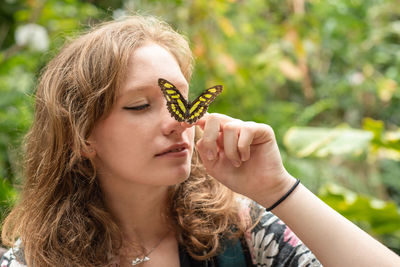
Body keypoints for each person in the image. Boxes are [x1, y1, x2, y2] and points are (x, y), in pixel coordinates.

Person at [0, 15, 399, 267]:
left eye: (181, 101)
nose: (178, 123)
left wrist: (278, 189)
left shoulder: (242, 233)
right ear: (82, 135)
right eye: (140, 106)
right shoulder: (32, 260)